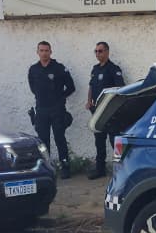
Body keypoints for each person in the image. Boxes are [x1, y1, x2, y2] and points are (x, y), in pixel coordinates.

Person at [27, 40, 76, 177]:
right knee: (43, 141)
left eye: (46, 50)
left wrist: (60, 98)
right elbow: (33, 88)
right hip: (41, 109)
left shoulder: (59, 68)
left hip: (57, 109)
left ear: (51, 52)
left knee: (60, 138)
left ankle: (65, 167)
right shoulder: (33, 69)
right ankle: (46, 169)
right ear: (37, 52)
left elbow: (71, 87)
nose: (44, 53)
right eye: (41, 50)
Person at [86, 41, 125, 179]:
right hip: (97, 111)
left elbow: (120, 89)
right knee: (99, 141)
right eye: (96, 51)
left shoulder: (113, 69)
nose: (98, 53)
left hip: (110, 112)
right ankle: (100, 169)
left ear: (107, 52)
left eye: (100, 51)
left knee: (115, 141)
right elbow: (91, 86)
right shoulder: (95, 69)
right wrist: (89, 101)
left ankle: (122, 170)